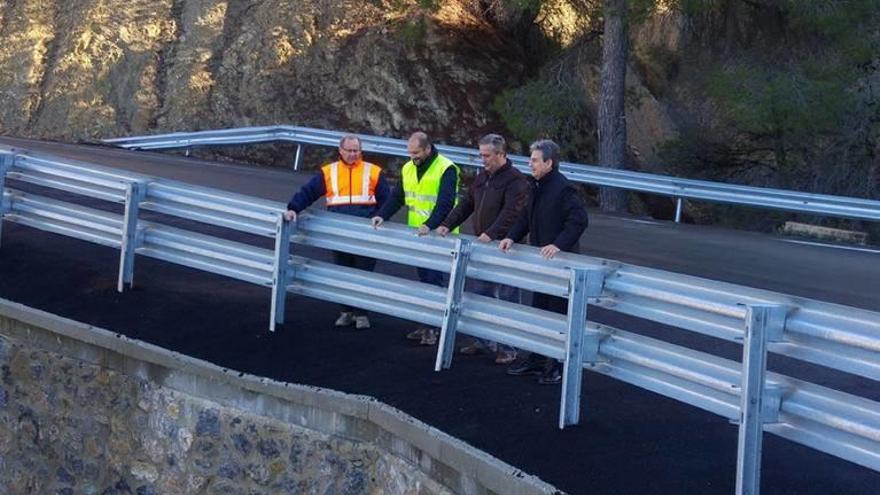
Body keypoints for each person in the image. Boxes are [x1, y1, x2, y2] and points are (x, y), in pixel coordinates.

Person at [499, 139, 588, 384]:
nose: (530, 164)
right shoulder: (536, 186)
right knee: (539, 311)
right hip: (541, 262)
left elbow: (578, 221)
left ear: (549, 163)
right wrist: (510, 237)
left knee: (558, 315)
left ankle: (557, 365)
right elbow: (525, 218)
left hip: (560, 263)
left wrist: (558, 244)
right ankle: (537, 360)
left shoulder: (564, 189)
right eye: (531, 160)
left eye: (535, 160)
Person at [436, 133, 529, 364]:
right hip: (483, 244)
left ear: (501, 154)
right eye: (481, 155)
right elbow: (467, 204)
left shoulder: (516, 180)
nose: (483, 160)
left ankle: (509, 346)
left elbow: (512, 212)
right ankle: (483, 339)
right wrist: (447, 224)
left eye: (486, 156)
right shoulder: (483, 178)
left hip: (505, 247)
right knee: (479, 292)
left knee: (507, 297)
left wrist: (492, 234)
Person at [284, 134, 389, 330]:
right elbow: (308, 192)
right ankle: (345, 312)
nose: (352, 154)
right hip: (337, 232)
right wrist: (293, 208)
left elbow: (387, 201)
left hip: (365, 233)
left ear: (361, 151)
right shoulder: (329, 172)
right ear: (340, 151)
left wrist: (380, 217)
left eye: (356, 150)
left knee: (363, 274)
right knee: (341, 272)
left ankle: (362, 314)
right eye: (348, 150)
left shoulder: (373, 171)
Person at [371, 131, 460, 345]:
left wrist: (430, 224)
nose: (413, 157)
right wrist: (382, 214)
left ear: (428, 148)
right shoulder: (408, 168)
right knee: (423, 280)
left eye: (417, 152)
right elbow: (398, 197)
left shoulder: (446, 168)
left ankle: (434, 327)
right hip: (418, 234)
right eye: (410, 153)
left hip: (439, 234)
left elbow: (445, 203)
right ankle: (426, 324)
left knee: (435, 281)